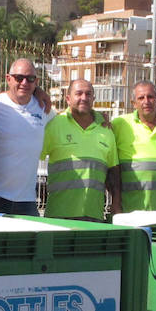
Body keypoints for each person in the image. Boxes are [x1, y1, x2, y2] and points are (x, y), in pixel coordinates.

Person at [0, 58, 53, 216]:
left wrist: (100, 118)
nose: (24, 83)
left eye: (30, 79)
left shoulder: (44, 108)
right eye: (19, 78)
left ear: (36, 82)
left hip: (27, 200)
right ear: (8, 79)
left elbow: (70, 118)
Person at [41, 78, 120, 221]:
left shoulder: (106, 130)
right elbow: (32, 158)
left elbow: (113, 171)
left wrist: (116, 203)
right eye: (78, 93)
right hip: (58, 216)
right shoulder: (54, 125)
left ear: (93, 99)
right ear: (68, 99)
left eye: (88, 94)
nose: (84, 98)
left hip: (94, 215)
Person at [110, 81, 156, 212]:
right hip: (128, 209)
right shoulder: (119, 124)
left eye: (150, 97)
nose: (146, 101)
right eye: (141, 98)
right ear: (134, 103)